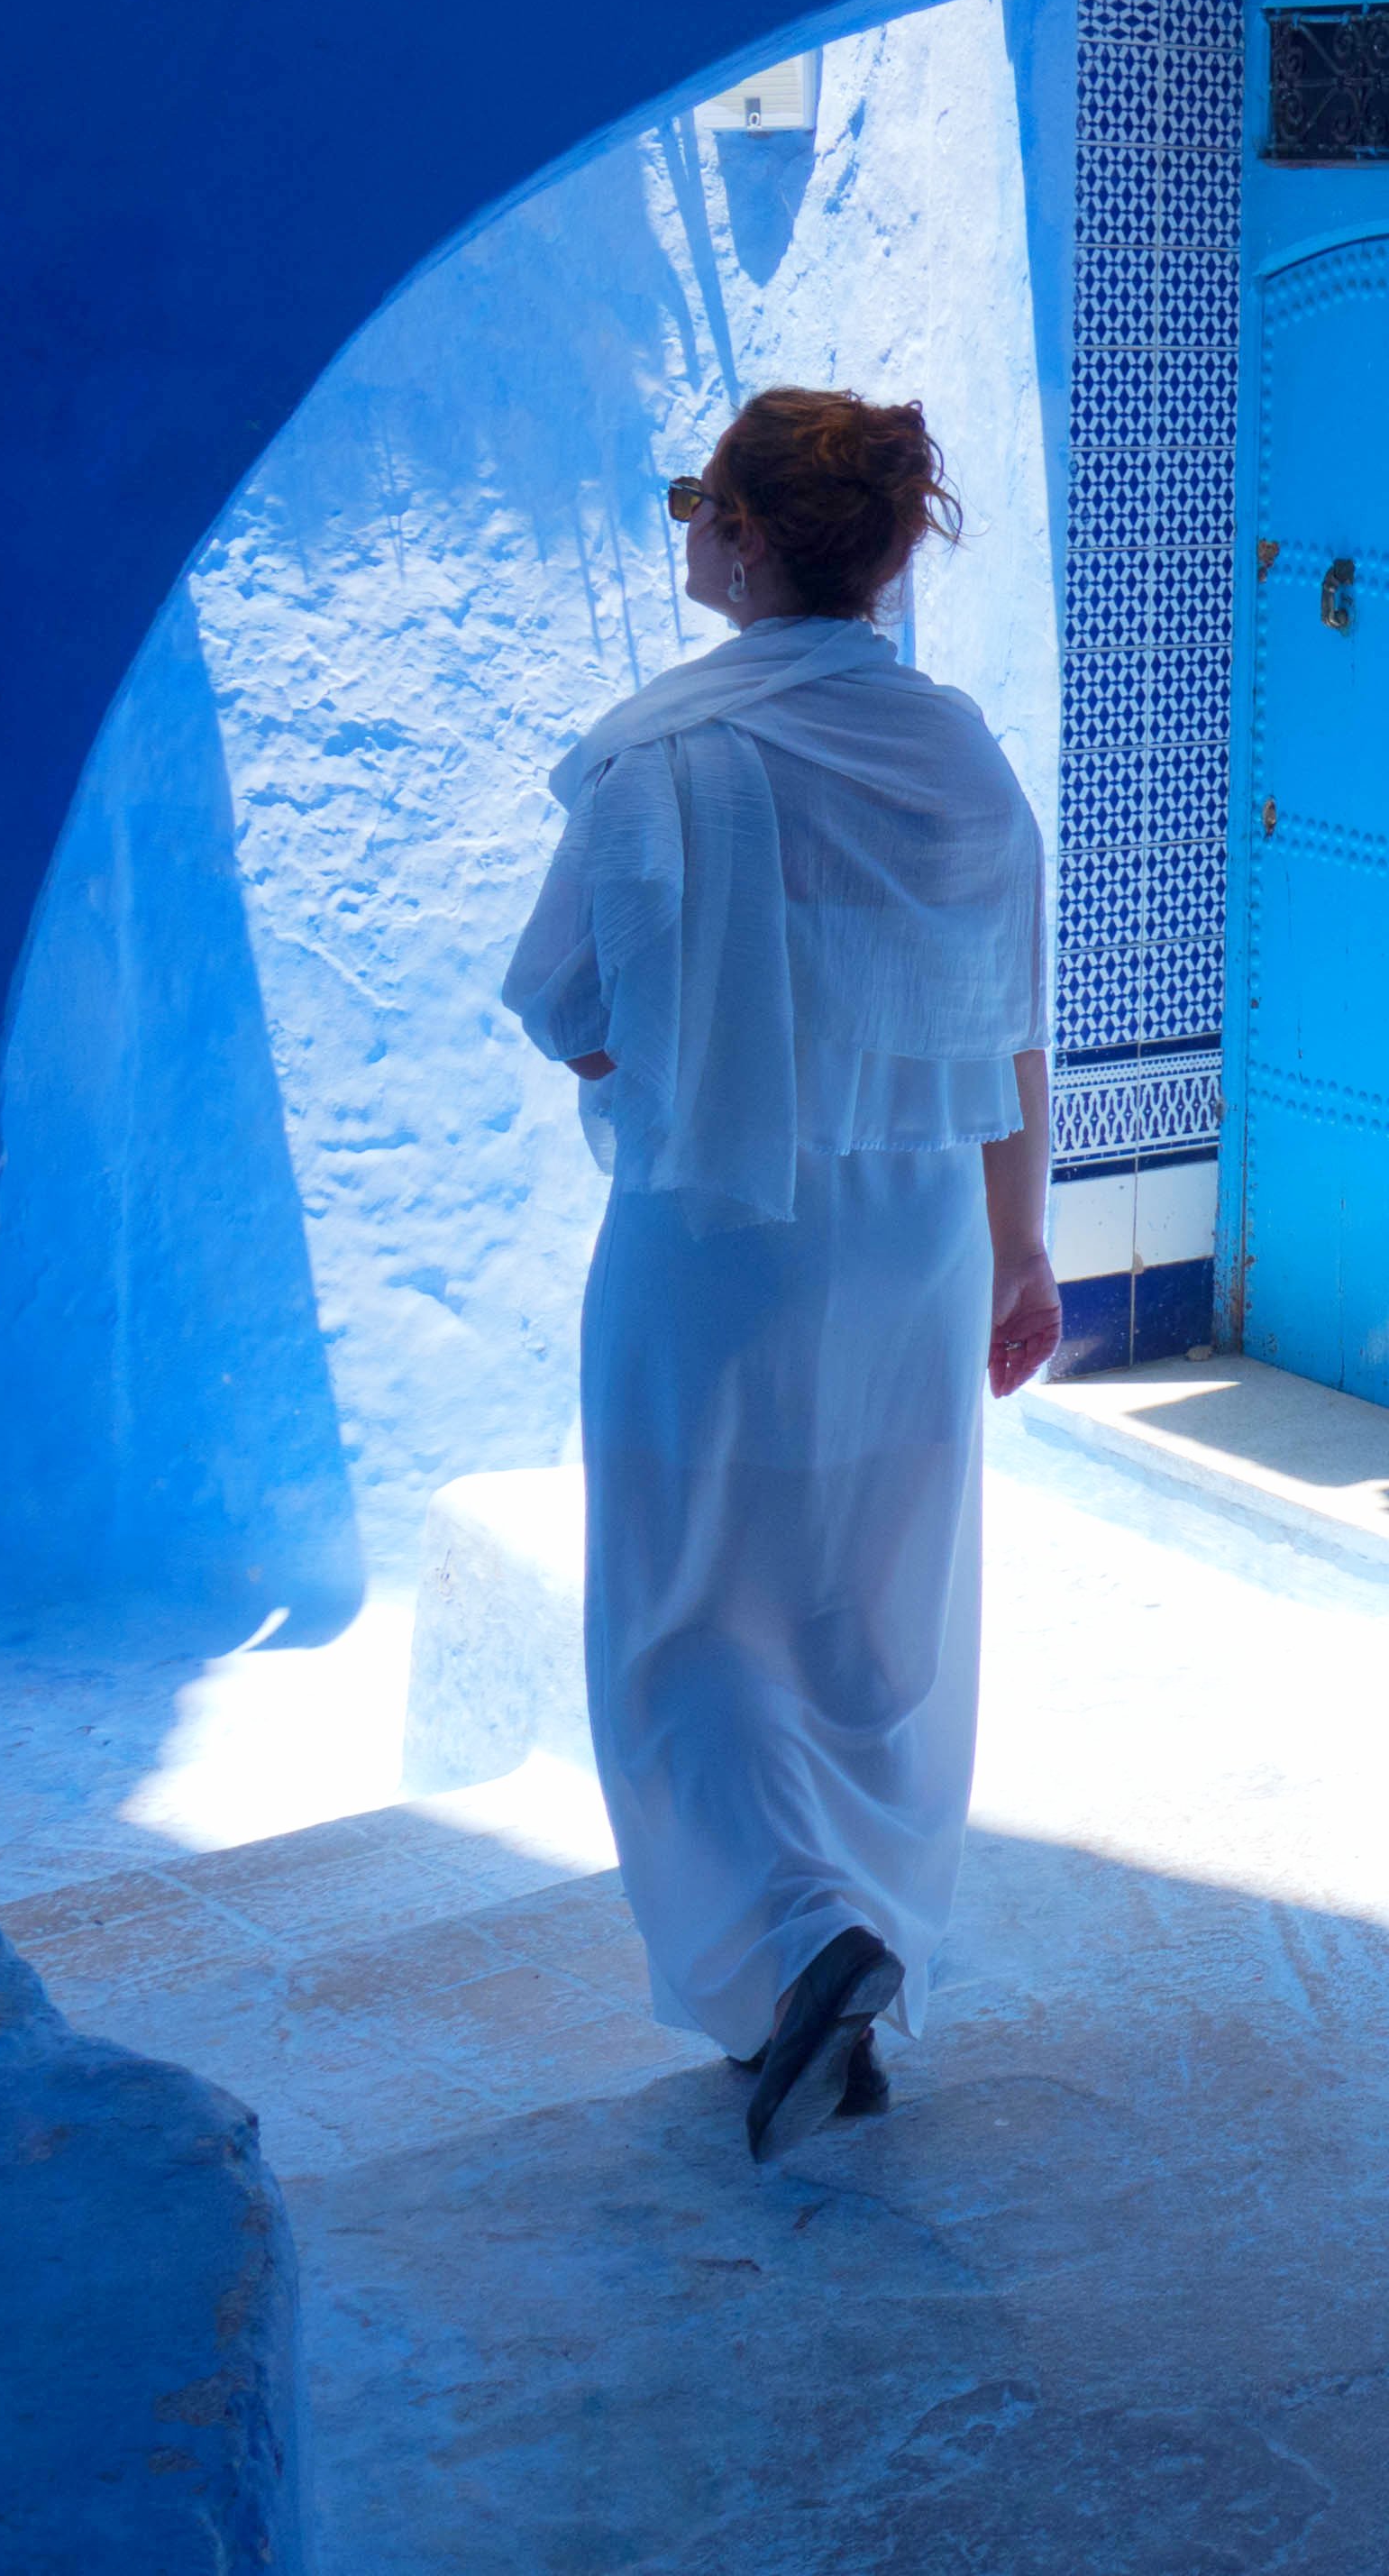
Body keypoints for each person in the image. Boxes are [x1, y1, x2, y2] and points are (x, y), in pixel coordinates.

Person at [499, 388, 1062, 2160]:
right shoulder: (957, 758)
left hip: (710, 1258)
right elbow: (1014, 1028)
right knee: (859, 1619)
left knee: (688, 1622)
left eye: (696, 502)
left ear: (738, 533)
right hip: (909, 1250)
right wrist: (1026, 1247)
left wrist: (715, 1056)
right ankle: (845, 1972)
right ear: (893, 552)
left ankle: (807, 1946)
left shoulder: (655, 755)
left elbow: (567, 1010)